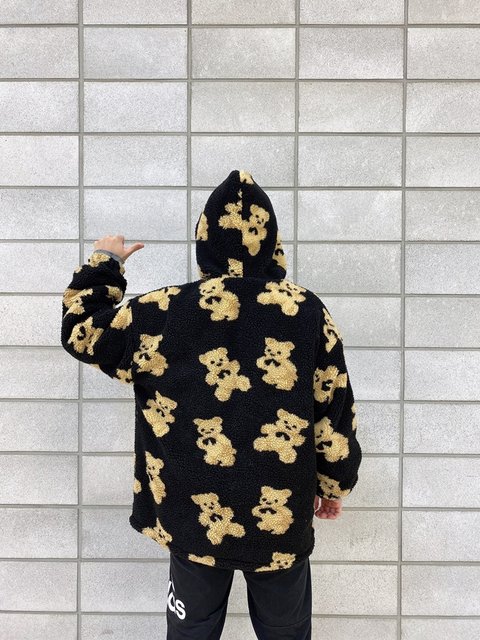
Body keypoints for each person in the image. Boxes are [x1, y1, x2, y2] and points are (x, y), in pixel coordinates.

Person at [61, 169, 362, 639]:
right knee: (286, 630)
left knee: (192, 630)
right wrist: (334, 483)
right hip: (280, 514)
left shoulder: (163, 311)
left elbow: (83, 334)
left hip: (191, 512)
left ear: (205, 241)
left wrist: (105, 263)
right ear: (272, 241)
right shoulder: (305, 311)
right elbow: (333, 407)